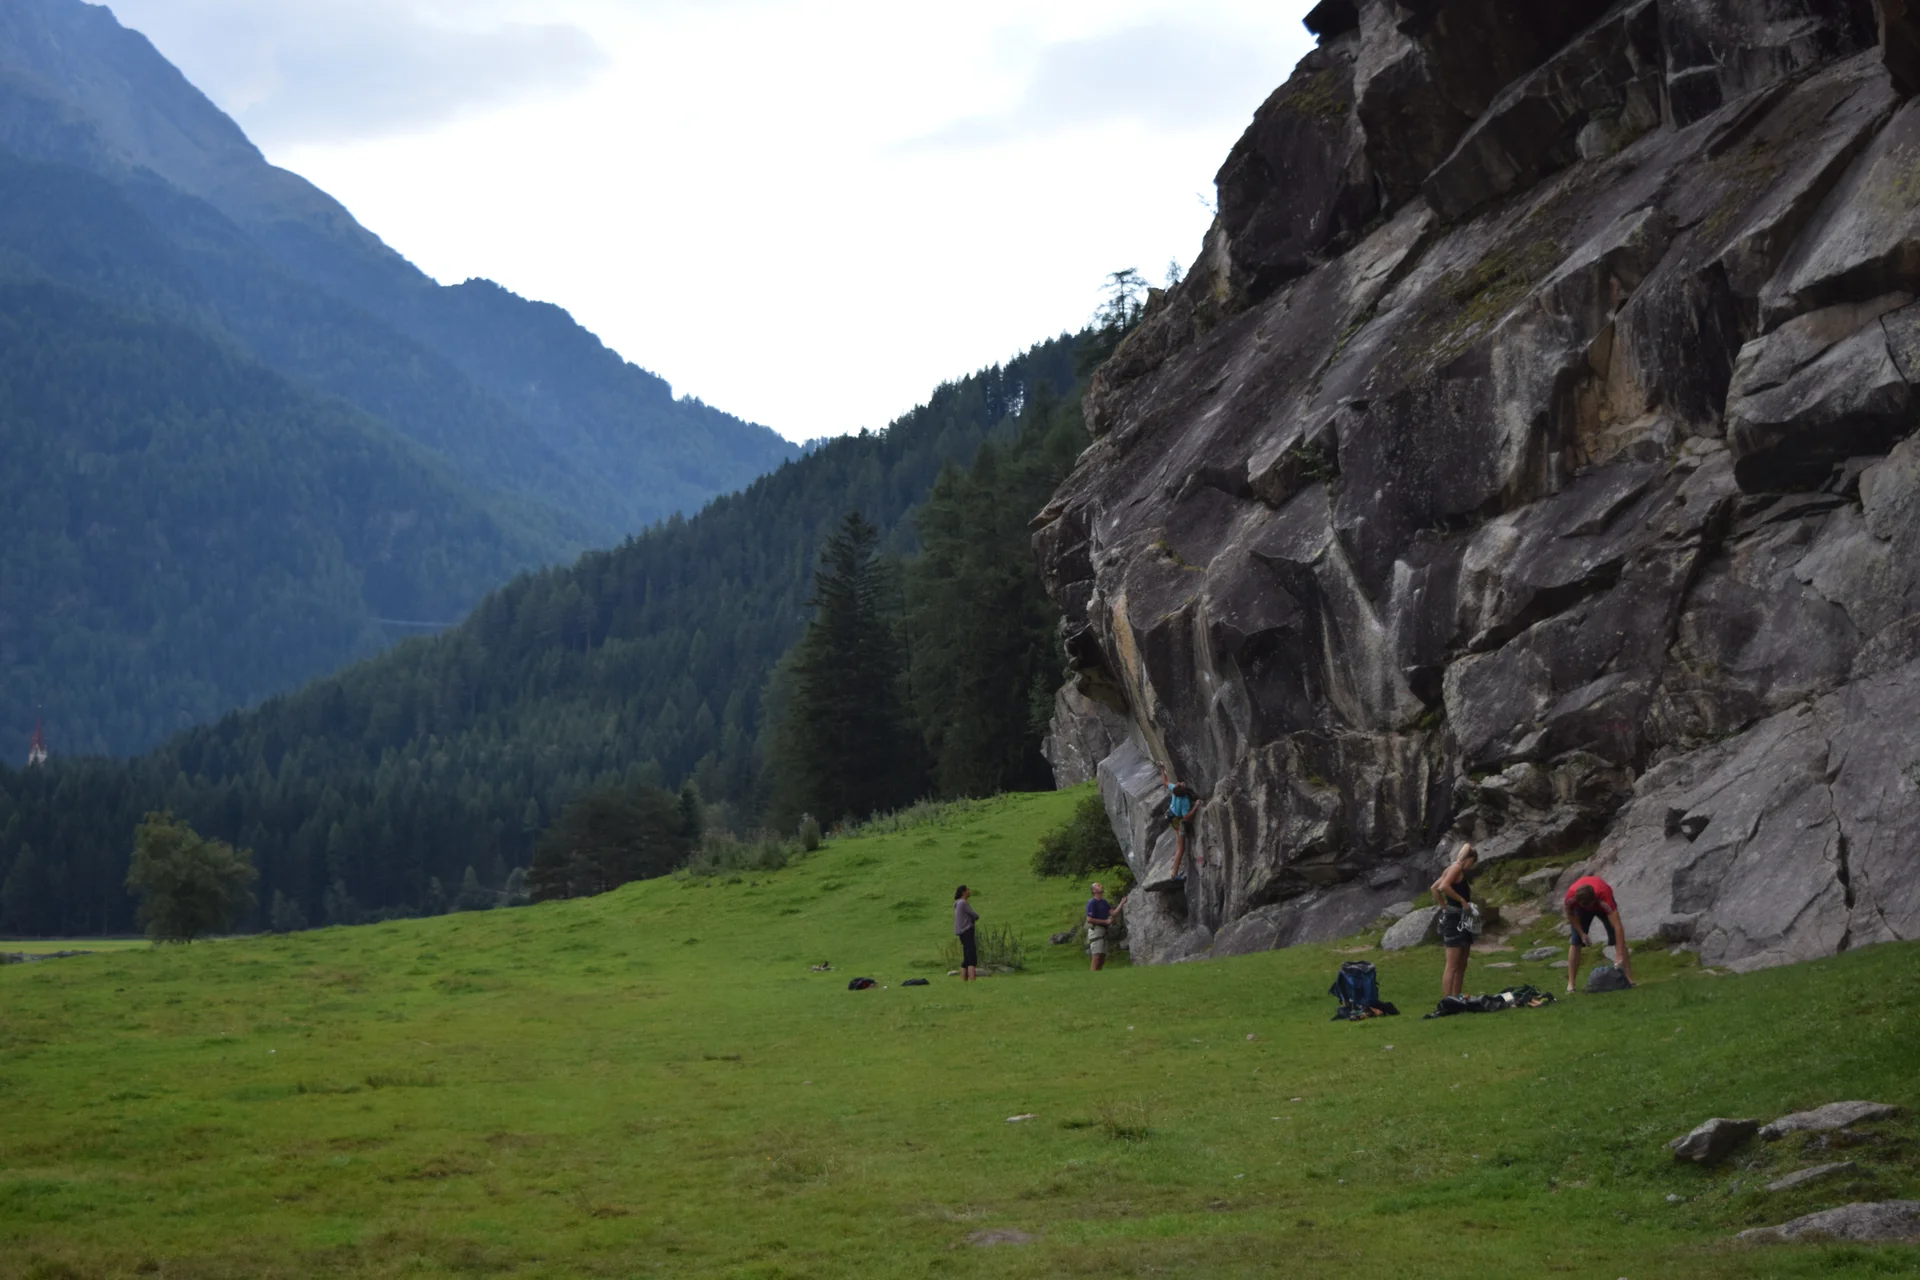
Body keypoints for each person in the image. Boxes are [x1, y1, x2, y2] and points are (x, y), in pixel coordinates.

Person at [1564, 874, 1633, 992]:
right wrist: (1582, 934)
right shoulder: (1571, 898)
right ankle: (1571, 984)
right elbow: (1570, 915)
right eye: (1584, 905)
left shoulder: (1604, 897)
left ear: (1594, 900)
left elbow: (1618, 927)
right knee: (1575, 942)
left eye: (1589, 905)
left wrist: (1619, 955)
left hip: (1601, 906)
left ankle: (1628, 979)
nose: (1588, 908)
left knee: (1617, 939)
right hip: (1580, 908)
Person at [1429, 842, 1479, 998]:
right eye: (1472, 862)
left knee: (1462, 963)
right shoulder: (1456, 868)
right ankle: (1447, 1000)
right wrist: (1461, 901)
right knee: (1452, 964)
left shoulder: (1453, 868)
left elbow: (1433, 888)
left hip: (1462, 918)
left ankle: (1457, 996)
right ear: (1469, 859)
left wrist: (1444, 907)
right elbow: (1443, 887)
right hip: (1455, 919)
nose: (1471, 867)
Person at [1160, 767, 1201, 879]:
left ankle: (1174, 873)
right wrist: (1196, 806)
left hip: (1171, 815)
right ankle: (1174, 874)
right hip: (1177, 821)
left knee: (1178, 837)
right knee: (1181, 848)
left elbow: (1165, 781)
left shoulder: (1175, 789)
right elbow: (1186, 817)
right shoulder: (1184, 801)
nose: (1181, 782)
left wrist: (1162, 769)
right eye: (1181, 784)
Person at [1085, 881, 1122, 972]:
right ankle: (1093, 975)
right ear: (1094, 890)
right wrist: (1105, 921)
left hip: (1104, 931)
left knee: (1102, 956)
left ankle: (1098, 975)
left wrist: (1122, 903)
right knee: (1096, 955)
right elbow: (1089, 919)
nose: (1101, 886)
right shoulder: (1092, 902)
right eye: (1098, 885)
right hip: (1096, 930)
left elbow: (1113, 913)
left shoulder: (1104, 902)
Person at [954, 884, 980, 982]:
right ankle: (972, 980)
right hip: (967, 930)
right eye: (968, 890)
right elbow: (974, 914)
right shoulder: (963, 903)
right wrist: (975, 917)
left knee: (966, 955)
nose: (969, 891)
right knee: (972, 956)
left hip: (961, 932)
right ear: (963, 892)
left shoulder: (957, 903)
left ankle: (963, 980)